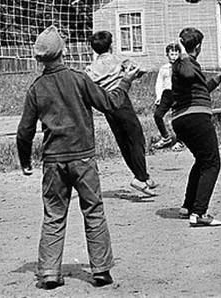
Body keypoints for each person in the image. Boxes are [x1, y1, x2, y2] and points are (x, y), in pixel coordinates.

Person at [17, 25, 140, 289]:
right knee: (93, 210)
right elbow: (110, 103)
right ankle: (101, 270)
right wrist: (126, 80)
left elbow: (24, 131)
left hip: (53, 161)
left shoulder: (36, 88)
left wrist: (25, 161)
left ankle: (49, 272)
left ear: (40, 58)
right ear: (63, 51)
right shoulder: (78, 78)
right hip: (83, 158)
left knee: (53, 214)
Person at [171, 27, 221, 227]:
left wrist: (218, 78)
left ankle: (188, 207)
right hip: (194, 118)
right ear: (198, 47)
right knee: (212, 163)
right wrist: (183, 52)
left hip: (185, 118)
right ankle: (199, 214)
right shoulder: (184, 62)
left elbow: (199, 88)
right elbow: (189, 74)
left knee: (202, 161)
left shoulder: (186, 64)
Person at [85, 31, 157, 197]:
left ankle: (144, 177)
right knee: (136, 138)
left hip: (106, 106)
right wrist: (134, 72)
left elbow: (88, 82)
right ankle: (140, 177)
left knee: (123, 141)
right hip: (121, 101)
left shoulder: (91, 68)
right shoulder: (118, 60)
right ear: (111, 45)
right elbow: (139, 70)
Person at [152, 42, 184, 151]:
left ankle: (180, 141)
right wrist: (158, 96)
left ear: (179, 54)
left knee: (178, 118)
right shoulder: (164, 68)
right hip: (167, 94)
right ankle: (166, 137)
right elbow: (159, 83)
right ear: (167, 55)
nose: (174, 56)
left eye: (176, 54)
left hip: (178, 94)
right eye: (171, 54)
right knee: (157, 115)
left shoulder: (182, 67)